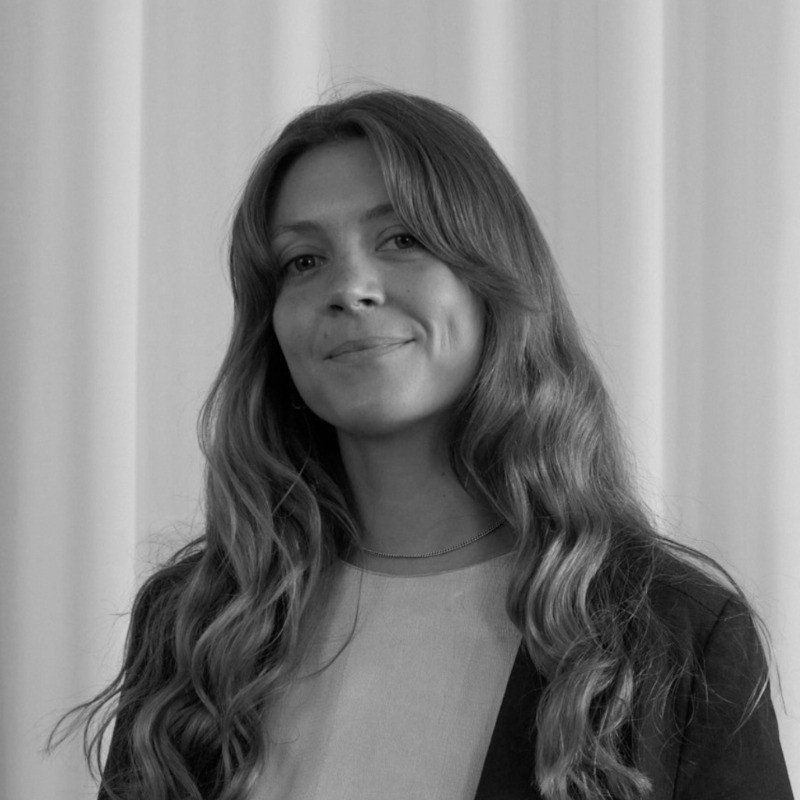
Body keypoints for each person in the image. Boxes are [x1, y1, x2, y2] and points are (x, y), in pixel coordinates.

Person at [51, 90, 793, 800]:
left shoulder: (675, 633)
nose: (350, 287)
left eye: (402, 239)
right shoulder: (196, 622)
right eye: (303, 261)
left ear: (492, 281)